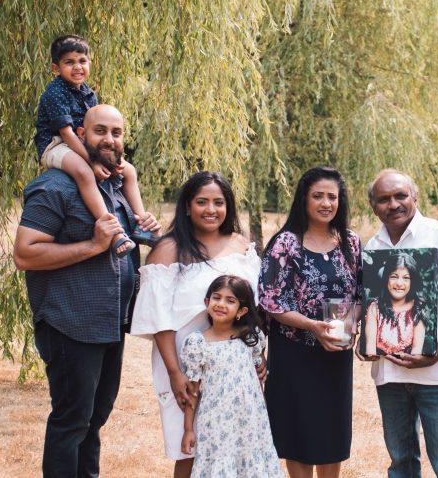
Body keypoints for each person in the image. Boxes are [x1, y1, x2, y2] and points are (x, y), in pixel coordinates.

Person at [13, 104, 159, 477]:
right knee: (72, 421)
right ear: (80, 135)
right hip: (71, 322)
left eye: (116, 132)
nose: (109, 139)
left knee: (95, 419)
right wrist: (92, 246)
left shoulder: (114, 187)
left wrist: (149, 228)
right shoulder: (55, 187)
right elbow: (25, 254)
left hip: (110, 324)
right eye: (100, 131)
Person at [129, 171, 261, 478]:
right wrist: (175, 373)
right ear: (187, 207)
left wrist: (258, 355)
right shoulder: (169, 249)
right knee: (191, 446)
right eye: (202, 202)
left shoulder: (241, 245)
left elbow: (255, 308)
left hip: (237, 365)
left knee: (237, 444)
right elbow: (158, 318)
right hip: (188, 363)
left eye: (219, 202)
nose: (211, 209)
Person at [363, 169, 438, 478]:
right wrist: (368, 345)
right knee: (401, 464)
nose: (393, 204)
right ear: (373, 205)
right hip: (391, 377)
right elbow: (372, 307)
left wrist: (435, 353)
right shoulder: (372, 248)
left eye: (400, 195)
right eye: (384, 199)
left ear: (415, 196)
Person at [259, 167, 362, 478]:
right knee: (299, 432)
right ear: (304, 199)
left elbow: (360, 291)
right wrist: (313, 326)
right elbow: (271, 300)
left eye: (332, 196)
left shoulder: (351, 242)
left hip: (334, 352)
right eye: (318, 196)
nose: (326, 203)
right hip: (294, 351)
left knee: (332, 430)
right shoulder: (285, 243)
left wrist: (352, 326)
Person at [33, 34, 155, 255]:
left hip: (79, 142)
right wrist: (92, 162)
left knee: (128, 170)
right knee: (84, 173)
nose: (77, 67)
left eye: (82, 61)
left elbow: (90, 130)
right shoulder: (55, 93)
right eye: (69, 62)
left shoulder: (89, 94)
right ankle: (113, 231)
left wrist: (111, 160)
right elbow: (67, 134)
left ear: (89, 63)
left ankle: (140, 223)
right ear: (55, 67)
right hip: (55, 144)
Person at [179, 275, 281, 477]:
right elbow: (193, 390)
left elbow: (256, 380)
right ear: (207, 302)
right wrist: (188, 429)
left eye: (230, 300)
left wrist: (262, 411)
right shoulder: (198, 343)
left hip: (250, 420)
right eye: (216, 298)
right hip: (216, 423)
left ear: (242, 311)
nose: (221, 304)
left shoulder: (250, 337)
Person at [362, 252, 427, 356]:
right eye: (394, 277)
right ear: (386, 278)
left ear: (412, 281)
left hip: (410, 368)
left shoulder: (417, 308)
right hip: (382, 364)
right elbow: (370, 347)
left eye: (406, 278)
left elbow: (417, 349)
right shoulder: (374, 308)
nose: (399, 283)